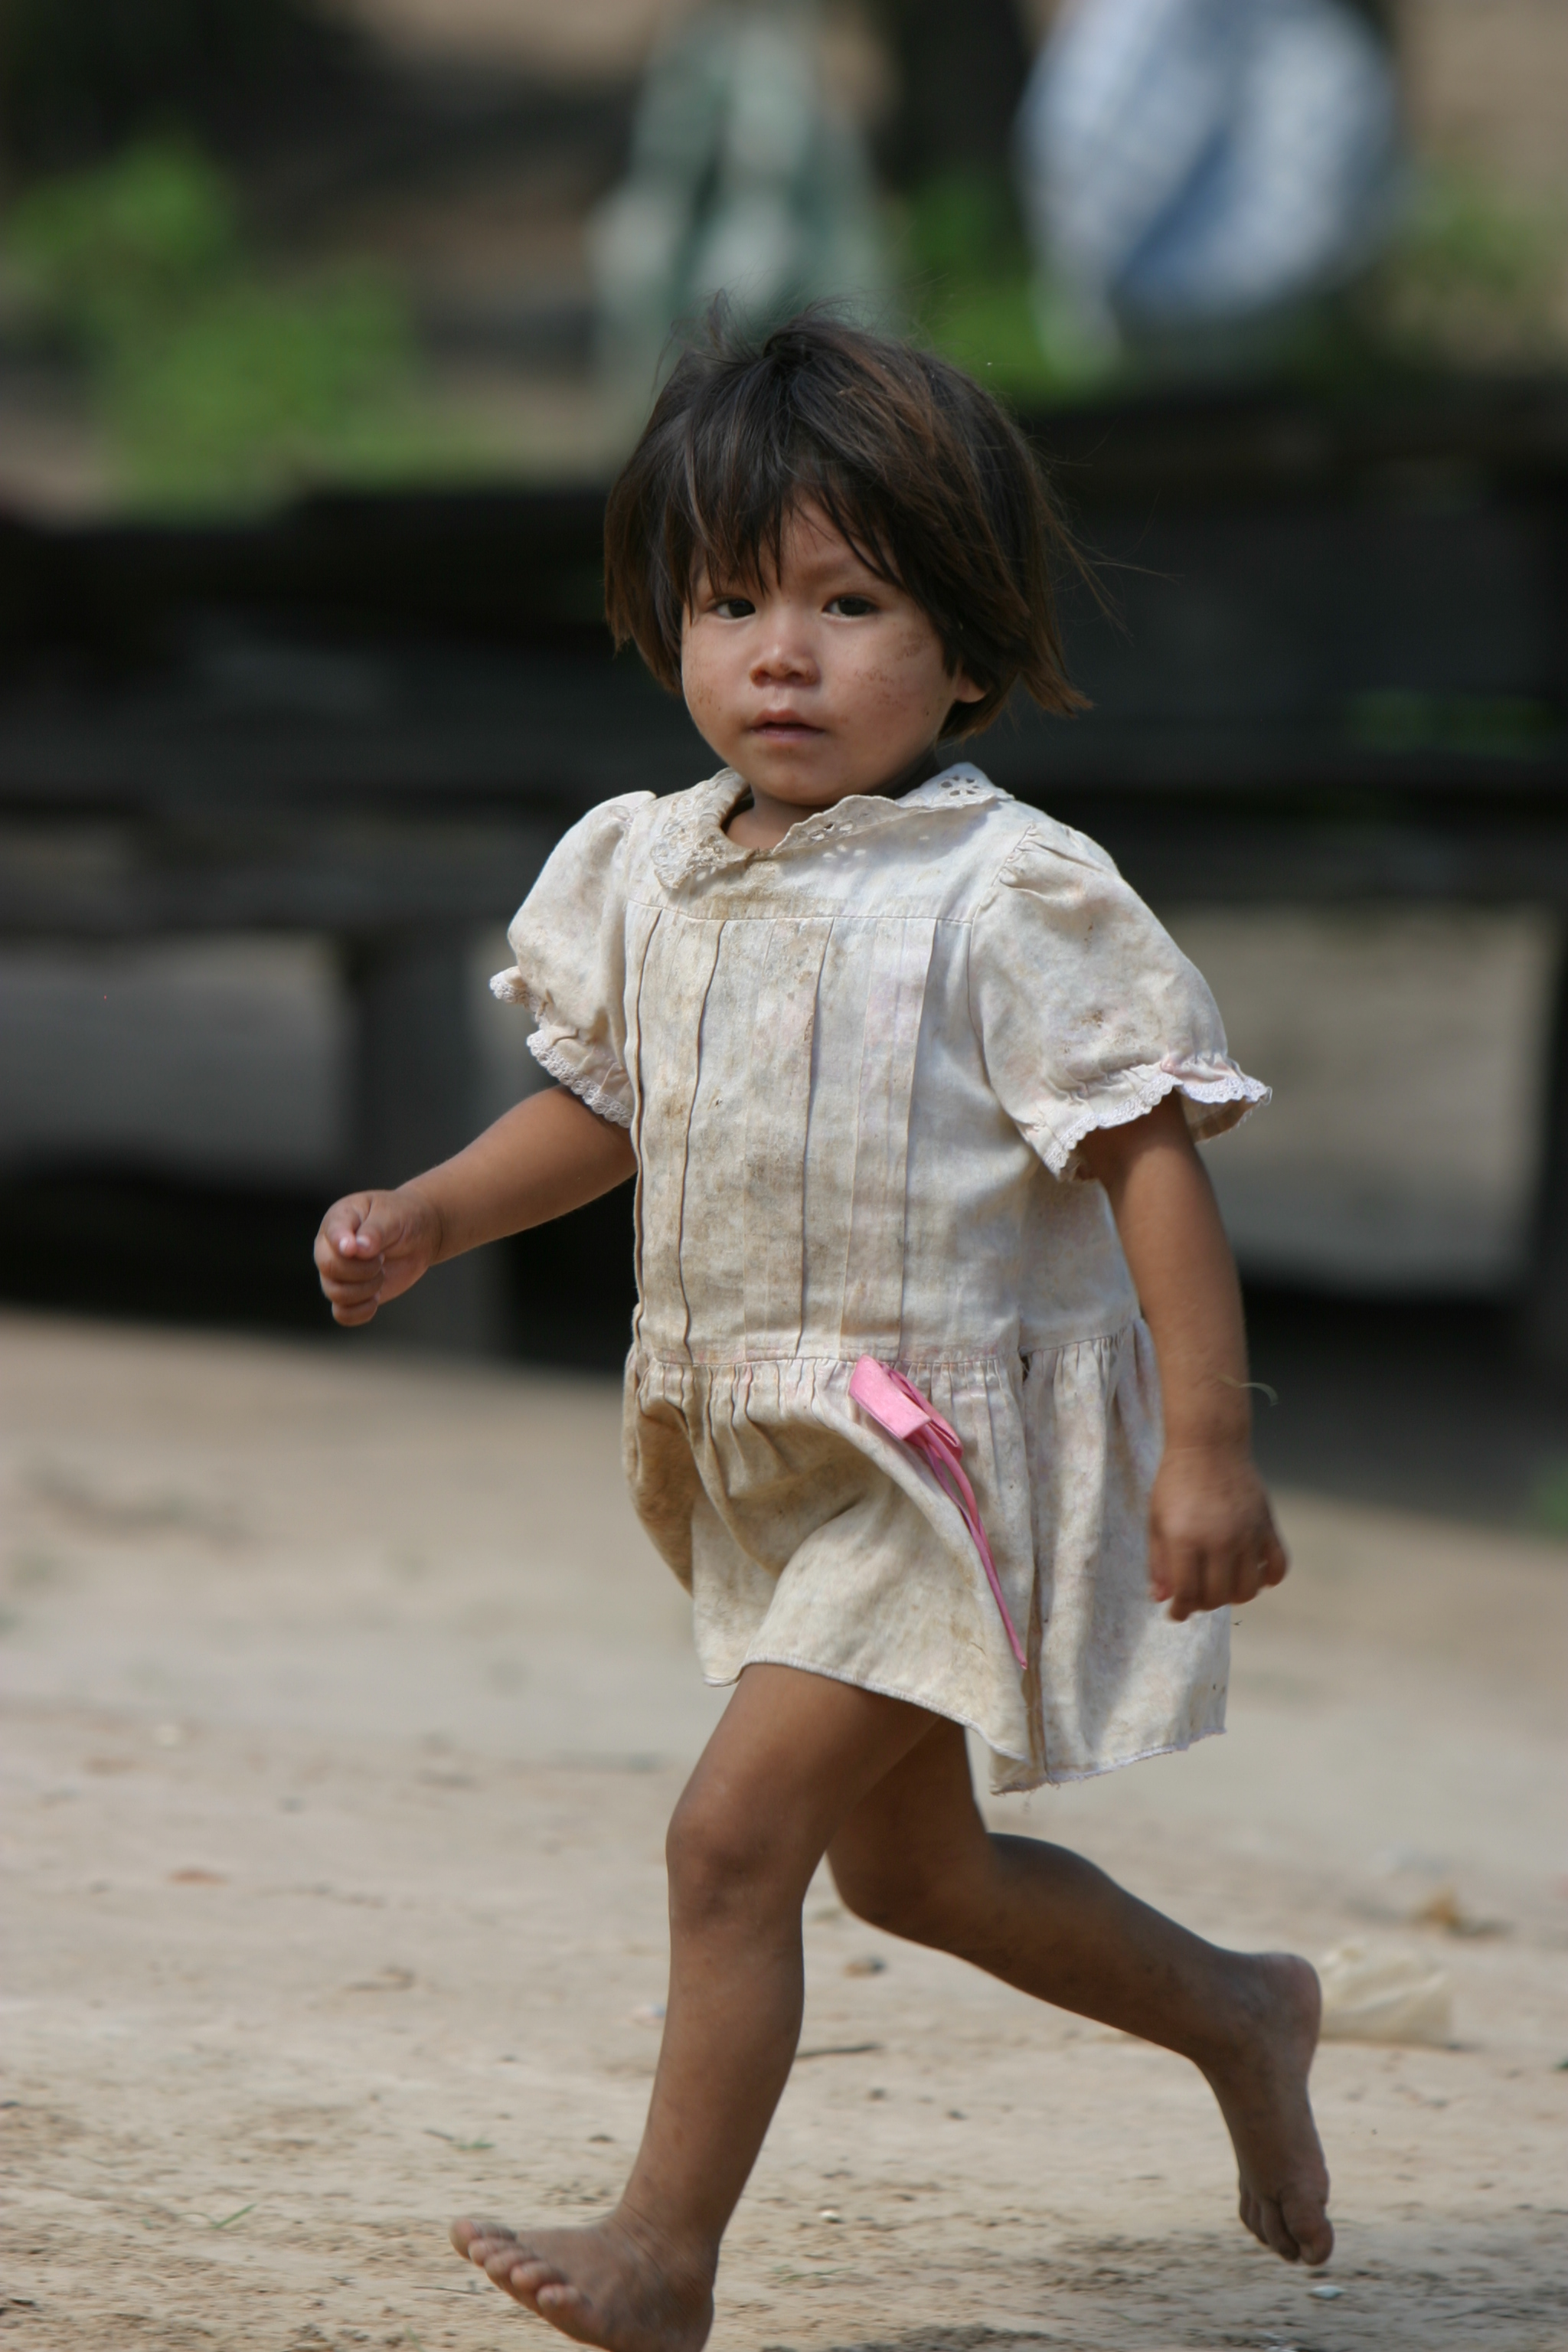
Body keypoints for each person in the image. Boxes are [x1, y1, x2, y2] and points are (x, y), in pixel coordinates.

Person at [314, 312, 1332, 2352]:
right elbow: (604, 1109)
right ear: (665, 624)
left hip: (945, 1463)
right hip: (775, 1438)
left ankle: (663, 2254)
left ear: (964, 649)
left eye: (850, 603)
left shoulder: (1009, 895)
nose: (779, 655)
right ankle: (1241, 2006)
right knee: (915, 1883)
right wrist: (432, 1209)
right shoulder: (641, 869)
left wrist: (1207, 1452)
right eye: (728, 601)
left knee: (732, 1837)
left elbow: (1152, 1168)